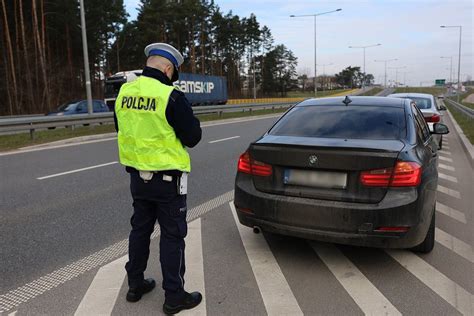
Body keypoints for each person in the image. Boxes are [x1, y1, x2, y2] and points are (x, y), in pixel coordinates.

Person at [114, 42, 202, 315]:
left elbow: (122, 127)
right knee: (172, 236)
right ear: (167, 68)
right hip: (167, 181)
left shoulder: (124, 92)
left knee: (139, 230)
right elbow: (193, 137)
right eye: (173, 72)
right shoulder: (170, 96)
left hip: (137, 179)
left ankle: (136, 284)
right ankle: (174, 296)